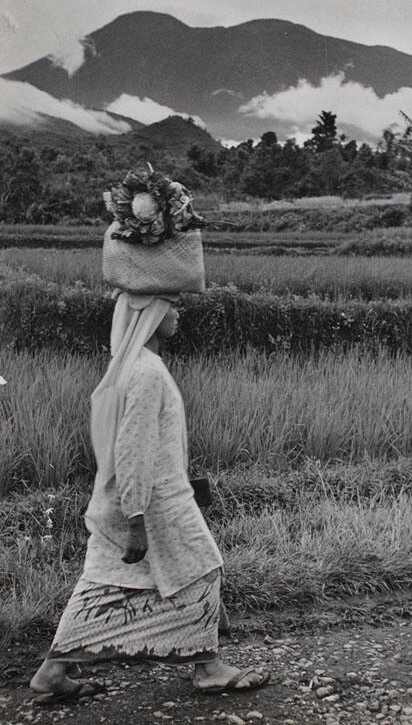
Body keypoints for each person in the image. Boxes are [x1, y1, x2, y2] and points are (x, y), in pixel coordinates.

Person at [30, 292, 269, 704]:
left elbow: (152, 445)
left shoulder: (134, 366)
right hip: (153, 503)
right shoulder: (146, 372)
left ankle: (52, 672)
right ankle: (209, 669)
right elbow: (134, 449)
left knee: (103, 582)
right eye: (170, 305)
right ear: (151, 315)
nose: (177, 313)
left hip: (144, 497)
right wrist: (136, 517)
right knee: (203, 570)